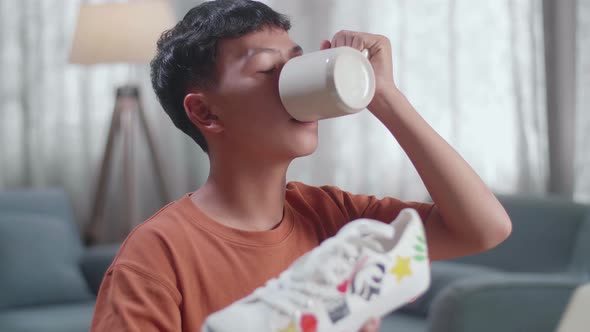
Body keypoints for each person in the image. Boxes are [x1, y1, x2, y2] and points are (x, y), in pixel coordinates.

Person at [90, 1, 512, 331]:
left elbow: (484, 228)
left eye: (296, 63)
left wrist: (384, 95)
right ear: (206, 114)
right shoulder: (156, 259)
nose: (292, 81)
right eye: (267, 69)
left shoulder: (336, 220)